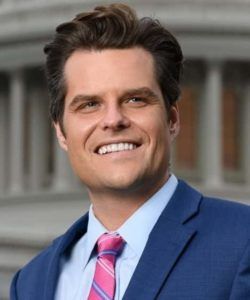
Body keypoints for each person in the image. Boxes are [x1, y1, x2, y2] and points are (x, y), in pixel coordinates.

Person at [10, 3, 250, 300]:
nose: (113, 120)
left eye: (135, 99)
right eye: (89, 104)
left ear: (172, 119)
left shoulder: (241, 243)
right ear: (61, 132)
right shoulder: (31, 282)